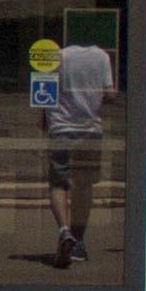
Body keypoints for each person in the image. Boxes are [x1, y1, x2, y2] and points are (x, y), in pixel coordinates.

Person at [36, 31, 117, 268]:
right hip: (90, 129)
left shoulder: (59, 57)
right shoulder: (102, 58)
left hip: (61, 127)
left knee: (59, 183)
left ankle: (64, 230)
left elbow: (46, 92)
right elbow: (109, 95)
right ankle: (79, 240)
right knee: (84, 185)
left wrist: (44, 118)